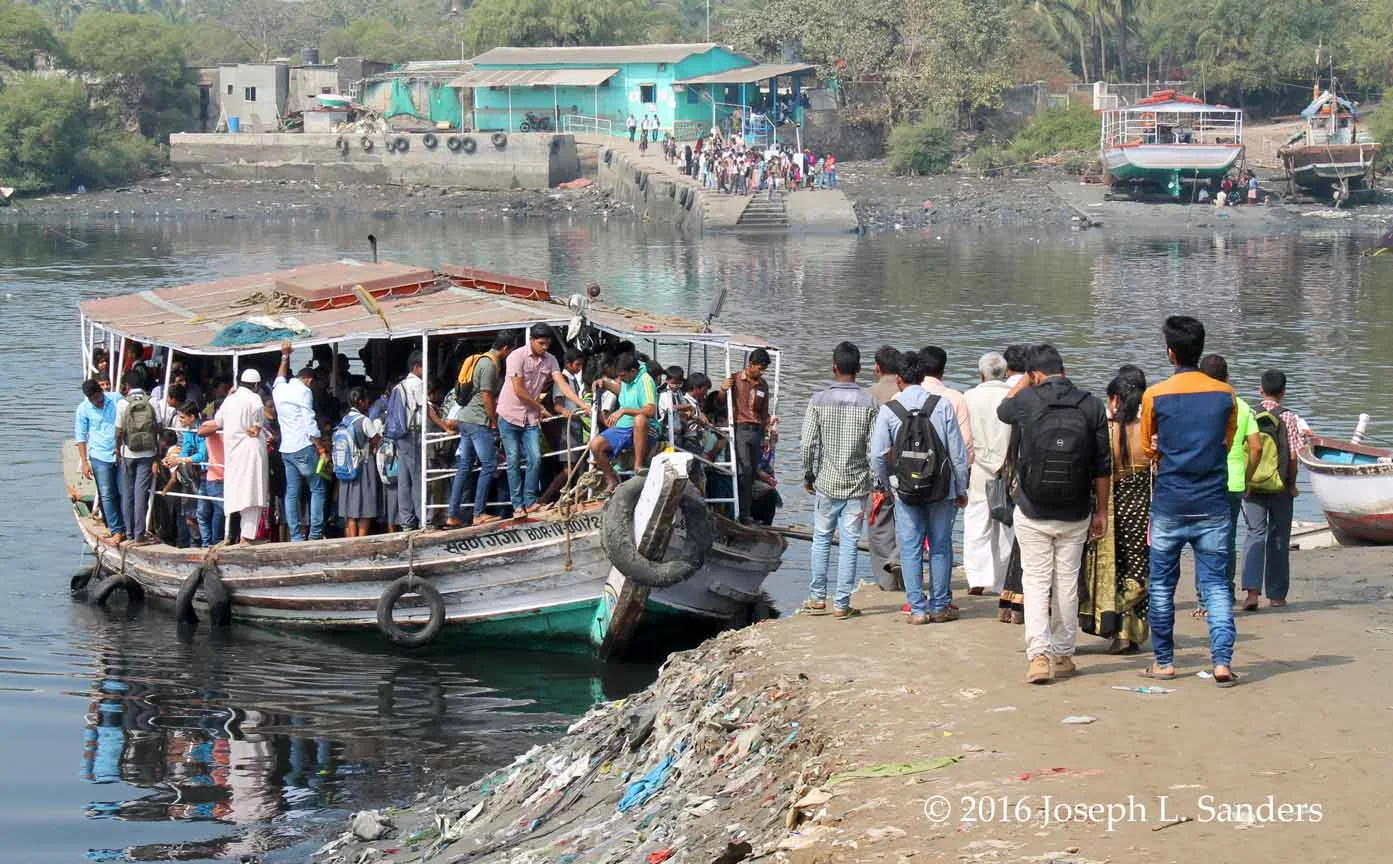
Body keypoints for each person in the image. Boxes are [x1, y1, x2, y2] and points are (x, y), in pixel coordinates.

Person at [997, 344, 1110, 683]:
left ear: (1035, 375)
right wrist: (1101, 511)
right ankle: (1063, 655)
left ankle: (1038, 658)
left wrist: (1023, 385)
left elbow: (1003, 410)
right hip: (1076, 510)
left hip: (1032, 508)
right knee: (1066, 581)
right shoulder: (1091, 405)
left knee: (1035, 581)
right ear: (1063, 368)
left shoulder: (1028, 400)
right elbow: (1102, 466)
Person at [1140, 316, 1238, 686]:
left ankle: (1164, 662)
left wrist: (1162, 453)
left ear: (1170, 352)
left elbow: (1146, 446)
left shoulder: (1155, 395)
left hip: (1169, 503)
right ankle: (1222, 662)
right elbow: (1226, 443)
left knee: (1162, 586)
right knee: (1215, 586)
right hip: (1212, 503)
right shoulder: (1225, 394)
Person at [870, 350, 969, 625]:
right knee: (940, 546)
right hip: (941, 489)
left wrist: (886, 483)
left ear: (899, 379)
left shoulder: (890, 409)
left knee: (911, 547)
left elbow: (878, 454)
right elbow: (957, 453)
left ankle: (917, 609)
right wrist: (961, 489)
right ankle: (939, 606)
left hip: (905, 490)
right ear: (923, 376)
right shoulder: (943, 405)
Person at [799, 342, 878, 619]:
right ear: (858, 369)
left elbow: (807, 444)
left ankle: (818, 598)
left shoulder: (818, 400)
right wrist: (876, 480)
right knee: (849, 542)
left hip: (826, 484)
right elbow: (873, 449)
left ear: (834, 367)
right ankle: (842, 604)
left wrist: (809, 474)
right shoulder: (870, 402)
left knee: (821, 539)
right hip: (858, 485)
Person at [1080, 366, 1152, 654]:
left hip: (1112, 507)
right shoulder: (1148, 430)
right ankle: (1129, 632)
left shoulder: (1108, 431)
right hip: (1143, 508)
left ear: (1115, 400)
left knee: (1117, 569)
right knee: (1139, 569)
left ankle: (1112, 622)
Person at [496, 325, 586, 515]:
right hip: (509, 415)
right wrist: (541, 407)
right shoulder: (516, 356)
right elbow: (518, 389)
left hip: (530, 418)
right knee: (513, 460)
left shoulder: (551, 360)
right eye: (541, 343)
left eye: (548, 344)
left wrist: (582, 405)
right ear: (532, 340)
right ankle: (517, 506)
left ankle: (530, 501)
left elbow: (562, 384)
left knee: (535, 457)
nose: (544, 347)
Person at [1199, 354, 1262, 615]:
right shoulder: (1243, 407)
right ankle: (1225, 592)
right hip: (1234, 481)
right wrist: (1248, 477)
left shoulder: (1198, 407)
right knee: (1228, 538)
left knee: (1204, 539)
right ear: (1228, 378)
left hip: (1204, 480)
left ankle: (1204, 601)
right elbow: (1256, 447)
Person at [1242, 369, 1306, 611]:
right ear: (1283, 392)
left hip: (1253, 484)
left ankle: (1251, 593)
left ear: (1261, 390)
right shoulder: (1289, 417)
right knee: (1278, 537)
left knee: (1254, 535)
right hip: (1279, 486)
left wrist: (1246, 481)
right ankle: (1277, 596)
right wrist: (1291, 484)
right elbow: (1292, 457)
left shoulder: (1249, 413)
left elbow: (1245, 449)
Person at [446, 334, 511, 527]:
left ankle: (452, 514)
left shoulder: (478, 360)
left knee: (465, 466)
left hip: (465, 419)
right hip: (477, 420)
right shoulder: (490, 365)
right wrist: (493, 420)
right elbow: (486, 396)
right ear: (506, 348)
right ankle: (479, 513)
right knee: (490, 464)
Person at [962, 352, 1013, 596]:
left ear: (982, 373)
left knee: (977, 525)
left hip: (980, 468)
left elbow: (965, 438)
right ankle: (1002, 581)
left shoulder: (969, 396)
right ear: (1005, 372)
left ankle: (978, 578)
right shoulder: (1012, 397)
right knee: (1006, 526)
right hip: (1009, 469)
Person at [202, 368, 270, 544]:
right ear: (256, 385)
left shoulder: (229, 400)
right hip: (252, 450)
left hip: (233, 454)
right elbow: (258, 424)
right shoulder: (255, 399)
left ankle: (241, 535)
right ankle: (247, 536)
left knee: (239, 491)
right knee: (254, 493)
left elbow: (218, 422)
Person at [273, 344, 326, 541]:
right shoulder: (304, 392)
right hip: (304, 447)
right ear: (309, 380)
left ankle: (295, 536)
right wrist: (320, 447)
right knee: (317, 488)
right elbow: (309, 422)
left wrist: (285, 357)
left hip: (286, 449)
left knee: (292, 493)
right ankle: (314, 534)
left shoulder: (279, 390)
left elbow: (279, 376)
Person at [720, 348, 775, 524]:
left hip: (756, 431)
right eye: (759, 368)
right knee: (743, 470)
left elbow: (764, 413)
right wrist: (723, 389)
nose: (761, 372)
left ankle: (746, 513)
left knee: (751, 474)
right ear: (750, 365)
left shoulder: (763, 385)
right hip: (740, 429)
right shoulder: (735, 379)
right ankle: (739, 513)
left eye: (764, 369)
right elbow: (720, 402)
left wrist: (766, 436)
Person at [590, 353, 658, 490]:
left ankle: (638, 466)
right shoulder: (628, 380)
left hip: (645, 428)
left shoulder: (645, 380)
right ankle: (612, 480)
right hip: (624, 427)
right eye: (618, 376)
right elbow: (623, 391)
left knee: (640, 419)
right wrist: (605, 384)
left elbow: (650, 410)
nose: (620, 379)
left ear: (633, 371)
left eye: (622, 376)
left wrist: (624, 410)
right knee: (595, 445)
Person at [866, 346, 903, 590]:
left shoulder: (869, 395)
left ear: (877, 367)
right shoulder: (906, 393)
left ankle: (888, 581)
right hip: (909, 467)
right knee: (908, 520)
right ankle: (903, 563)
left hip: (879, 467)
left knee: (880, 524)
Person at [76, 378, 125, 543]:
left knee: (124, 492)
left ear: (102, 392)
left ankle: (128, 527)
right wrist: (84, 461)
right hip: (99, 455)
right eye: (93, 400)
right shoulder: (83, 409)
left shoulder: (116, 399)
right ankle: (116, 530)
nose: (98, 402)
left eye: (99, 398)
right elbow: (80, 437)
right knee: (106, 494)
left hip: (121, 452)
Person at [115, 366, 159, 544]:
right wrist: (157, 453)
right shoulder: (152, 401)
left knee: (128, 493)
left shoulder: (122, 403)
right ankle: (140, 534)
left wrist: (118, 450)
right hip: (148, 452)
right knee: (141, 493)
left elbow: (118, 432)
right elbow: (159, 428)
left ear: (127, 385)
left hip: (128, 452)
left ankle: (129, 532)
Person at [388, 351, 426, 530]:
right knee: (418, 477)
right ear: (416, 367)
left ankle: (406, 521)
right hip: (413, 435)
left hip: (400, 437)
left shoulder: (399, 386)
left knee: (404, 480)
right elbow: (427, 410)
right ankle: (422, 519)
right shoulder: (417, 384)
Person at [336, 388, 381, 537]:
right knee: (365, 507)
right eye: (366, 401)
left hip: (347, 467)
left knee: (350, 509)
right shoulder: (364, 421)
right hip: (363, 466)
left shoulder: (345, 419)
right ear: (360, 402)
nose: (368, 404)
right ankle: (361, 541)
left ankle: (351, 541)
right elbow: (376, 440)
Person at [919, 346, 974, 464]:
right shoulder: (955, 397)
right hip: (943, 472)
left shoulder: (899, 397)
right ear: (943, 370)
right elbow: (966, 442)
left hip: (906, 474)